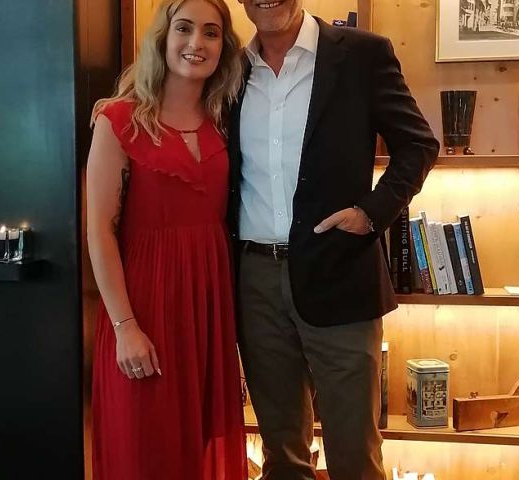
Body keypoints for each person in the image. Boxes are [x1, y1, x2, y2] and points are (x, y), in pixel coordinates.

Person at [227, 1, 440, 479]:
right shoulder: (230, 70)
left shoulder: (363, 54)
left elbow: (419, 145)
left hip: (340, 267)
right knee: (281, 453)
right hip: (254, 279)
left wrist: (370, 214)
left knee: (353, 453)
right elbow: (174, 94)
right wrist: (122, 102)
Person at [86, 1, 246, 478]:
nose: (197, 43)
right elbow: (99, 230)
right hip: (144, 308)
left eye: (211, 32)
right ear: (163, 37)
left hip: (207, 311)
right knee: (144, 450)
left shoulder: (225, 119)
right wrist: (125, 326)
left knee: (197, 451)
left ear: (223, 47)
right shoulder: (119, 119)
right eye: (184, 28)